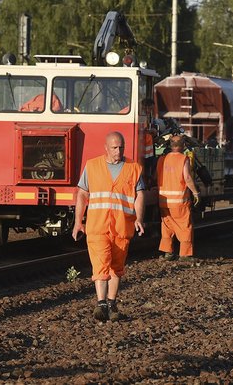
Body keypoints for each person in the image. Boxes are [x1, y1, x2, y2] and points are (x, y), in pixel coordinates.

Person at [71, 131, 146, 323]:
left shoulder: (134, 168)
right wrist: (78, 221)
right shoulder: (92, 166)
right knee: (101, 264)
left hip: (122, 227)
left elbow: (140, 195)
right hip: (97, 226)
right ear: (106, 148)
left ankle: (112, 303)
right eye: (114, 148)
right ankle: (101, 303)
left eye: (121, 147)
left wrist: (139, 218)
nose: (118, 151)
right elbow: (81, 194)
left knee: (117, 267)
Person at [156, 135, 201, 261]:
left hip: (164, 202)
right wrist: (196, 193)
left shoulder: (161, 160)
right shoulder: (183, 159)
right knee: (184, 226)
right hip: (179, 202)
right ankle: (185, 254)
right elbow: (187, 178)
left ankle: (168, 253)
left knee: (167, 226)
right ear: (183, 146)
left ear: (170, 145)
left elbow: (156, 177)